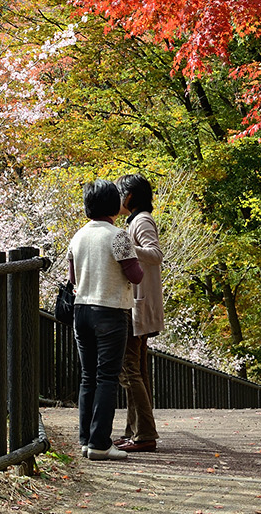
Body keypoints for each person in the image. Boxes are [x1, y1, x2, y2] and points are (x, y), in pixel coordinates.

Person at [67, 179, 143, 461]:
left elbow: (72, 278)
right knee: (107, 378)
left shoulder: (77, 236)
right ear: (114, 204)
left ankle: (86, 439)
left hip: (81, 310)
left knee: (88, 377)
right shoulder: (118, 236)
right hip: (110, 311)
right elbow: (135, 275)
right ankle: (100, 443)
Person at [115, 174, 164, 452]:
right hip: (138, 303)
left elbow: (155, 254)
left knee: (130, 371)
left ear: (130, 196)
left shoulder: (142, 220)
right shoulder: (135, 220)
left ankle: (144, 434)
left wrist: (125, 247)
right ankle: (135, 431)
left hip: (139, 305)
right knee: (137, 372)